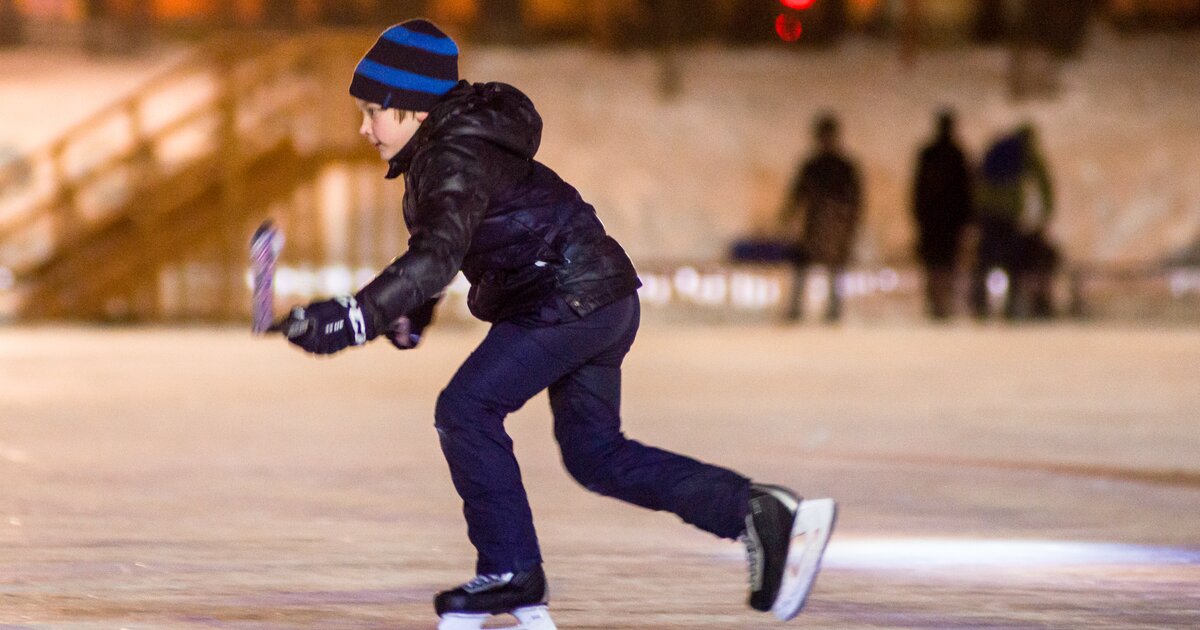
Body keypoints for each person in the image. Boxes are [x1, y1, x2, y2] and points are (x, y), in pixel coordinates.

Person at [273, 20, 837, 630]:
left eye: (373, 111)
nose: (364, 127)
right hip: (598, 297)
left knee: (466, 408)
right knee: (595, 454)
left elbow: (435, 256)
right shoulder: (453, 147)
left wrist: (356, 316)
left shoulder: (450, 153)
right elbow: (453, 249)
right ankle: (757, 511)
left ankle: (510, 570)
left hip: (565, 297)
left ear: (412, 109)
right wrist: (407, 316)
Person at [780, 113, 862, 323]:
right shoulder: (812, 166)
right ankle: (796, 310)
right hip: (814, 225)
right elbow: (797, 195)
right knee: (803, 265)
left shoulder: (844, 167)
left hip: (835, 226)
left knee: (834, 268)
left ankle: (833, 311)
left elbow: (854, 201)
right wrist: (787, 218)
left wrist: (849, 227)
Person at [971, 123, 1056, 320]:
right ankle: (1011, 305)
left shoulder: (996, 147)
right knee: (1012, 260)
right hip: (1008, 212)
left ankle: (980, 303)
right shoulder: (1026, 152)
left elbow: (977, 176)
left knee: (985, 259)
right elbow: (1043, 182)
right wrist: (1045, 213)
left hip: (986, 212)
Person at [911, 109, 973, 320]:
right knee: (940, 263)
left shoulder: (951, 155)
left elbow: (965, 190)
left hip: (942, 220)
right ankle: (939, 303)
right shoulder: (950, 154)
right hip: (940, 220)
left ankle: (940, 303)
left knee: (942, 263)